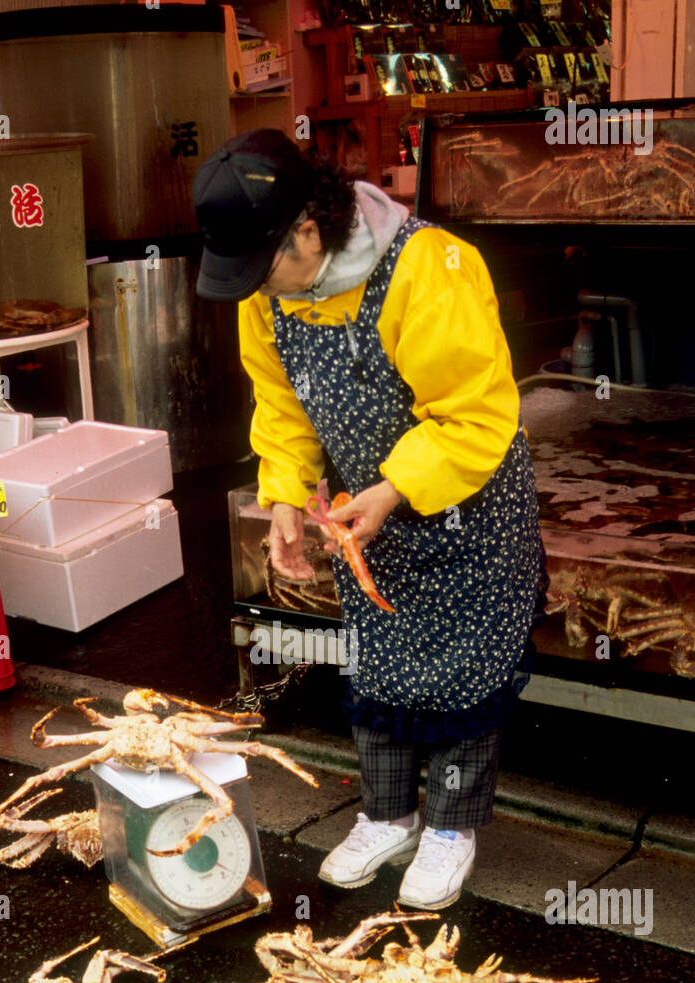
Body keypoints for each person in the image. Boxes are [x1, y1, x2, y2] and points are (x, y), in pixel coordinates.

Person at [193, 129, 545, 910]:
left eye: (267, 267)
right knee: (378, 660)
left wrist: (391, 490)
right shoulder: (269, 290)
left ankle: (452, 828)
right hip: (366, 516)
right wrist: (283, 494)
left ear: (308, 230)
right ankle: (388, 815)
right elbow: (280, 405)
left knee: (462, 678)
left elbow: (475, 416)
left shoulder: (429, 266)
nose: (261, 290)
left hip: (466, 507)